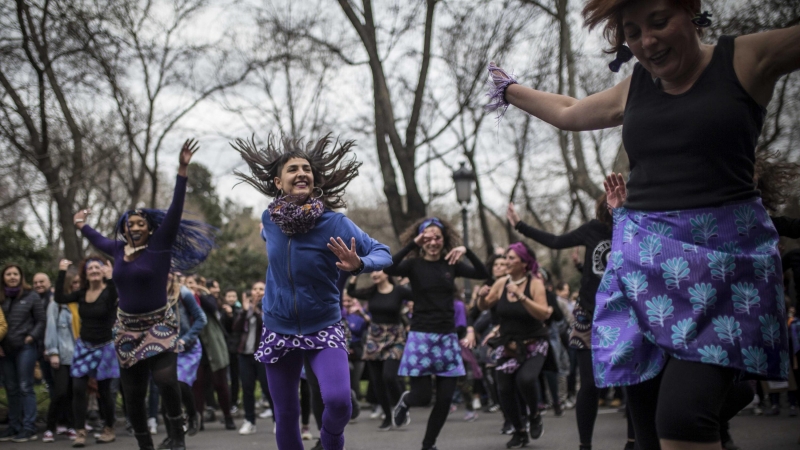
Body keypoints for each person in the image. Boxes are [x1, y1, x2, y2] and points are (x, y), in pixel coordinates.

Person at [487, 2, 800, 447]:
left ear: (691, 11)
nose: (647, 42)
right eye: (633, 33)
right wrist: (509, 89)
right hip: (643, 269)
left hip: (722, 268)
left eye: (659, 22)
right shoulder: (635, 87)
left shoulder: (745, 59)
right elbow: (570, 110)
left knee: (683, 418)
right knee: (646, 422)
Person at [233, 134, 392, 450]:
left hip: (323, 323)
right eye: (293, 169)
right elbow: (275, 245)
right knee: (287, 414)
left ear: (314, 179)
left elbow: (383, 252)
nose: (301, 173)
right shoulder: (269, 220)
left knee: (339, 403)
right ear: (279, 182)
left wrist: (358, 262)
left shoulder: (334, 223)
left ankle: (329, 442)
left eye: (306, 168)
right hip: (278, 326)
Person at [72, 139, 216, 450]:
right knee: (134, 394)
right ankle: (145, 446)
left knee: (166, 382)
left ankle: (177, 439)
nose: (134, 227)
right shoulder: (117, 250)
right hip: (127, 329)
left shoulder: (159, 245)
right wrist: (81, 225)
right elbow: (96, 237)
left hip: (159, 325)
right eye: (129, 224)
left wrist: (182, 169)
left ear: (149, 228)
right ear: (124, 230)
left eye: (140, 223)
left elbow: (176, 209)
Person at [507, 199, 616, 448]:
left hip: (623, 315)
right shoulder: (593, 229)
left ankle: (633, 441)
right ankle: (584, 445)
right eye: (610, 199)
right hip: (589, 314)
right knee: (589, 385)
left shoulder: (634, 227)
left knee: (632, 382)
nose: (617, 203)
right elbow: (556, 241)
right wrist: (520, 225)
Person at [387, 217, 490, 450]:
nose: (433, 242)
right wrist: (413, 244)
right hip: (421, 336)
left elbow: (482, 272)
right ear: (421, 239)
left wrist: (466, 250)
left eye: (437, 237)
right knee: (422, 397)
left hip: (447, 337)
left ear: (444, 240)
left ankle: (428, 444)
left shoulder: (451, 263)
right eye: (427, 237)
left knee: (444, 400)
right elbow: (389, 267)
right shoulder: (413, 265)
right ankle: (406, 401)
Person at [477, 242, 554, 448]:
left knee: (526, 380)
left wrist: (520, 296)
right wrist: (480, 297)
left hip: (534, 343)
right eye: (505, 259)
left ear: (523, 262)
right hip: (508, 343)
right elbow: (485, 305)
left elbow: (542, 312)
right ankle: (520, 431)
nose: (506, 263)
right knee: (503, 388)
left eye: (511, 258)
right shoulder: (501, 283)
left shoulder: (535, 283)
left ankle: (535, 414)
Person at [54, 257, 120, 447]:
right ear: (86, 273)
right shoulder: (81, 293)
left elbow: (115, 298)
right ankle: (80, 431)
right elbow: (59, 297)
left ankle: (109, 428)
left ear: (102, 271)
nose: (93, 270)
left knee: (106, 392)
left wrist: (111, 277)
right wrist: (62, 272)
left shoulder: (108, 292)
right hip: (84, 346)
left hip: (105, 347)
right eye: (90, 268)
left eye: (97, 267)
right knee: (78, 389)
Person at [347, 271, 413, 430]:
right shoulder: (372, 291)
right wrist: (355, 274)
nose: (374, 274)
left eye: (378, 270)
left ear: (387, 273)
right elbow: (351, 292)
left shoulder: (399, 291)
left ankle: (401, 408)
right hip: (374, 339)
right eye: (372, 272)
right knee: (377, 381)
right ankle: (387, 417)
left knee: (389, 376)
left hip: (395, 337)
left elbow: (419, 296)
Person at [158, 273, 207, 449]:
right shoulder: (152, 294)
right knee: (166, 393)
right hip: (165, 350)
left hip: (187, 348)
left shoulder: (183, 293)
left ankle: (193, 415)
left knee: (180, 383)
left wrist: (186, 339)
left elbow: (202, 319)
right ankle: (173, 437)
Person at [0, 264, 47, 442]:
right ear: (3, 277)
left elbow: (41, 321)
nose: (12, 277)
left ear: (21, 277)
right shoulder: (1, 298)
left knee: (25, 386)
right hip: (5, 350)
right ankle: (14, 426)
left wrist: (31, 338)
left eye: (15, 274)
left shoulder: (31, 296)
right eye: (8, 274)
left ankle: (29, 427)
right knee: (11, 388)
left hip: (25, 348)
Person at [185, 275, 236, 431]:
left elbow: (212, 308)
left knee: (221, 385)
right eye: (187, 284)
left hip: (213, 348)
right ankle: (198, 420)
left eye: (192, 284)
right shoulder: (181, 300)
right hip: (194, 349)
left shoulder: (208, 298)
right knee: (197, 386)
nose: (189, 286)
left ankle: (227, 417)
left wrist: (199, 294)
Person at [233, 281, 271, 435]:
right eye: (254, 289)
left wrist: (255, 310)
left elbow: (267, 325)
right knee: (247, 389)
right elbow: (236, 328)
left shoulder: (269, 307)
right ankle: (249, 421)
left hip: (263, 354)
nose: (257, 292)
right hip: (245, 354)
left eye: (261, 289)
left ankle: (278, 421)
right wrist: (244, 312)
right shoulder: (245, 310)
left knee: (268, 388)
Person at [219, 288, 243, 416]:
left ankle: (234, 401)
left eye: (234, 296)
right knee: (223, 377)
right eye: (229, 296)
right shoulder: (221, 311)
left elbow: (237, 327)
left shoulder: (240, 311)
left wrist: (231, 315)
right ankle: (225, 402)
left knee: (234, 377)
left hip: (236, 349)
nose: (231, 298)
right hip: (224, 348)